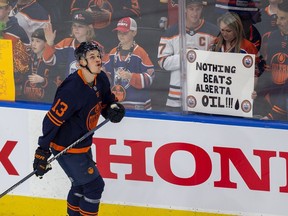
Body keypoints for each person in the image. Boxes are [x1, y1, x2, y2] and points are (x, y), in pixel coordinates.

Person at [33, 41, 125, 216]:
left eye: (98, 56)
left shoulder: (102, 79)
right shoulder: (71, 89)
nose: (98, 60)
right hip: (65, 146)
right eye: (92, 57)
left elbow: (106, 102)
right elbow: (51, 121)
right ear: (81, 63)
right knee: (94, 186)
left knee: (81, 186)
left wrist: (113, 109)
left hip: (82, 143)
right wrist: (42, 151)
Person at [157, 0, 218, 112]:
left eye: (198, 9)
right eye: (191, 9)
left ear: (202, 9)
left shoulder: (213, 32)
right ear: (184, 9)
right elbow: (162, 61)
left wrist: (198, 57)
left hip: (203, 94)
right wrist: (186, 56)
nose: (195, 13)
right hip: (176, 97)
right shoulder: (171, 32)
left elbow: (219, 62)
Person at [103, 17, 155, 110]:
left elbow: (150, 77)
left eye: (125, 32)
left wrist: (131, 76)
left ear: (134, 32)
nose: (121, 35)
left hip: (137, 103)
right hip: (117, 102)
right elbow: (108, 76)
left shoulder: (140, 52)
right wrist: (103, 73)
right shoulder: (112, 52)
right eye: (119, 32)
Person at [43, 10, 106, 83]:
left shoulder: (97, 48)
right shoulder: (66, 43)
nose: (76, 29)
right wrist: (50, 43)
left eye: (80, 26)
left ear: (89, 27)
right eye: (74, 25)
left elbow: (103, 76)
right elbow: (48, 60)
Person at [254, 1, 288, 121]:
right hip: (270, 103)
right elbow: (267, 71)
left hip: (282, 107)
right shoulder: (272, 37)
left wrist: (274, 114)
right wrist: (257, 92)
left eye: (282, 18)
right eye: (277, 17)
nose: (277, 22)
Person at [0, 0, 30, 100]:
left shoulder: (18, 32)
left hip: (10, 85)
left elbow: (26, 65)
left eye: (0, 8)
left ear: (9, 9)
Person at [23, 28, 58, 103]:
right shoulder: (28, 58)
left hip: (45, 105)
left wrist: (42, 81)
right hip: (26, 104)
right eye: (32, 40)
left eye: (38, 41)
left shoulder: (52, 60)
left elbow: (56, 86)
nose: (33, 44)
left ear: (45, 43)